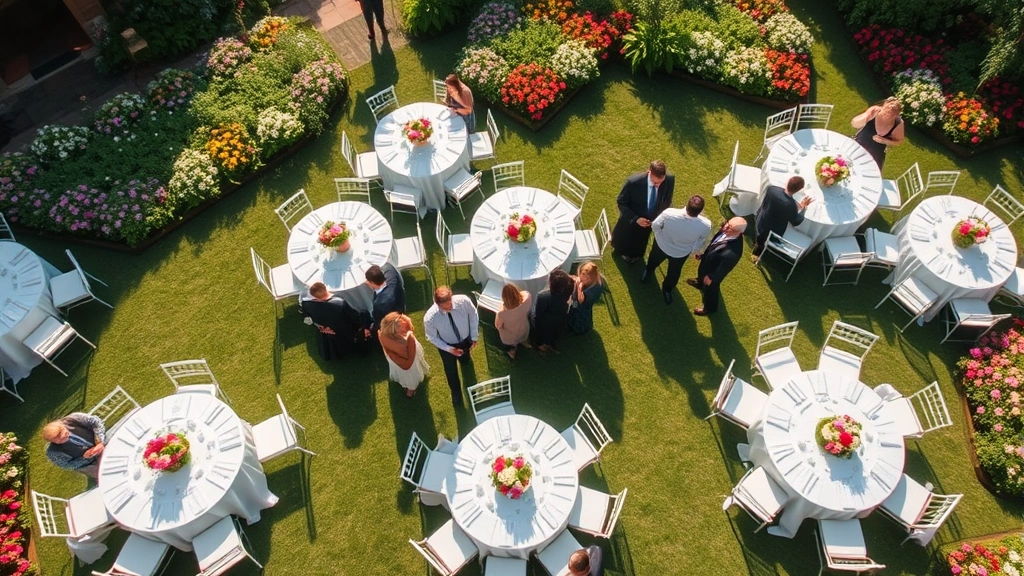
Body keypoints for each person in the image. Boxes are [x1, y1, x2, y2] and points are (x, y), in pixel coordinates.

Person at [642, 194, 712, 304]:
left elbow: (655, 226)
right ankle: (667, 290)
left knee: (653, 261)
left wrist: (660, 236)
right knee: (673, 273)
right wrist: (691, 249)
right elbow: (701, 240)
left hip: (662, 245)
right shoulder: (706, 225)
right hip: (681, 253)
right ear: (701, 210)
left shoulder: (669, 213)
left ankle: (647, 273)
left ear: (687, 204)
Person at [423, 286, 479, 407]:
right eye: (445, 306)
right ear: (437, 303)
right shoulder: (430, 318)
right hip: (446, 345)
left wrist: (474, 336)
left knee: (465, 357)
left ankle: (465, 361)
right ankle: (456, 392)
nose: (449, 308)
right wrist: (449, 349)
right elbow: (432, 337)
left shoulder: (463, 301)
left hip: (465, 340)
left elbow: (473, 315)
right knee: (451, 371)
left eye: (450, 304)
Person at [611, 160, 675, 264]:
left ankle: (635, 256)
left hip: (651, 220)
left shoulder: (669, 180)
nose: (658, 186)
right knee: (624, 237)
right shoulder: (633, 182)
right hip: (631, 218)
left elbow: (667, 199)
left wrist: (659, 216)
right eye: (655, 183)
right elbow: (621, 202)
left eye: (660, 182)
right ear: (650, 172)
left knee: (641, 240)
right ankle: (620, 250)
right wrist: (636, 219)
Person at [687, 217, 747, 316]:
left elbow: (723, 269)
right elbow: (714, 244)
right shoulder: (725, 229)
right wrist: (703, 255)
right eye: (728, 224)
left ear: (739, 233)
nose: (725, 227)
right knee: (701, 273)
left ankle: (710, 308)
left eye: (730, 228)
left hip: (713, 273)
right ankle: (700, 284)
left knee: (711, 289)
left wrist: (711, 277)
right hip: (707, 262)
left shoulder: (733, 253)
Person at [302, 282, 370, 360]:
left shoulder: (306, 304)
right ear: (325, 288)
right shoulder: (340, 303)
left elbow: (308, 318)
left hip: (329, 332)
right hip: (347, 330)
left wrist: (320, 326)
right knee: (364, 314)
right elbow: (354, 318)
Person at [752, 176, 813, 259]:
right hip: (772, 231)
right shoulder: (790, 206)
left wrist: (793, 202)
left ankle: (758, 243)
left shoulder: (772, 189)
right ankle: (761, 247)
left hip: (761, 219)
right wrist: (804, 208)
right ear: (799, 190)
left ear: (788, 182)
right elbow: (796, 222)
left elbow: (782, 197)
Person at [379, 312, 429, 397]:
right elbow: (409, 363)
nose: (404, 325)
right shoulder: (407, 338)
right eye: (400, 325)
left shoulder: (383, 334)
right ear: (393, 330)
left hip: (397, 360)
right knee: (411, 374)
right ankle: (411, 389)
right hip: (405, 361)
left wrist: (392, 356)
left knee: (405, 372)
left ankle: (408, 385)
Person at [43, 413, 106, 479]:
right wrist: (84, 458)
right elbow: (68, 466)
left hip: (104, 444)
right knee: (105, 478)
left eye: (66, 433)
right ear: (53, 441)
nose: (66, 436)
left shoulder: (73, 418)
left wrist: (99, 441)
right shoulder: (53, 452)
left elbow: (96, 422)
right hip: (89, 466)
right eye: (61, 440)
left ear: (62, 426)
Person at [851, 96, 905, 171]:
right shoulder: (874, 110)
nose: (888, 115)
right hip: (859, 144)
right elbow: (854, 124)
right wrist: (867, 117)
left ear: (897, 115)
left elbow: (898, 142)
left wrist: (885, 141)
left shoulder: (898, 123)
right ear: (883, 105)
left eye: (892, 114)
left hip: (876, 155)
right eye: (886, 111)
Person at [532, 269, 575, 353]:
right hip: (560, 321)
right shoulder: (568, 292)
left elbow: (538, 314)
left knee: (542, 332)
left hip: (545, 324)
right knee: (554, 334)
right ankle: (551, 344)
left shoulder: (543, 297)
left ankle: (542, 346)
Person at [365, 263, 405, 337]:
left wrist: (371, 328)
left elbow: (379, 323)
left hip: (391, 325)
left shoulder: (380, 304)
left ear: (371, 282)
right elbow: (388, 267)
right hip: (400, 308)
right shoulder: (392, 275)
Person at [494, 283, 532, 360]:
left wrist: (502, 306)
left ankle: (512, 353)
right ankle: (525, 343)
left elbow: (498, 325)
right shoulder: (527, 298)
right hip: (523, 328)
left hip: (510, 336)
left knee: (511, 346)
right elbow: (524, 293)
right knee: (523, 337)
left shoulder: (502, 313)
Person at [568, 262, 605, 333]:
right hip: (583, 307)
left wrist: (578, 284)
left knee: (578, 317)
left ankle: (578, 328)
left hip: (582, 309)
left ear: (591, 277)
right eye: (582, 274)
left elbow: (581, 299)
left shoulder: (594, 290)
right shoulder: (594, 280)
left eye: (585, 276)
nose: (582, 277)